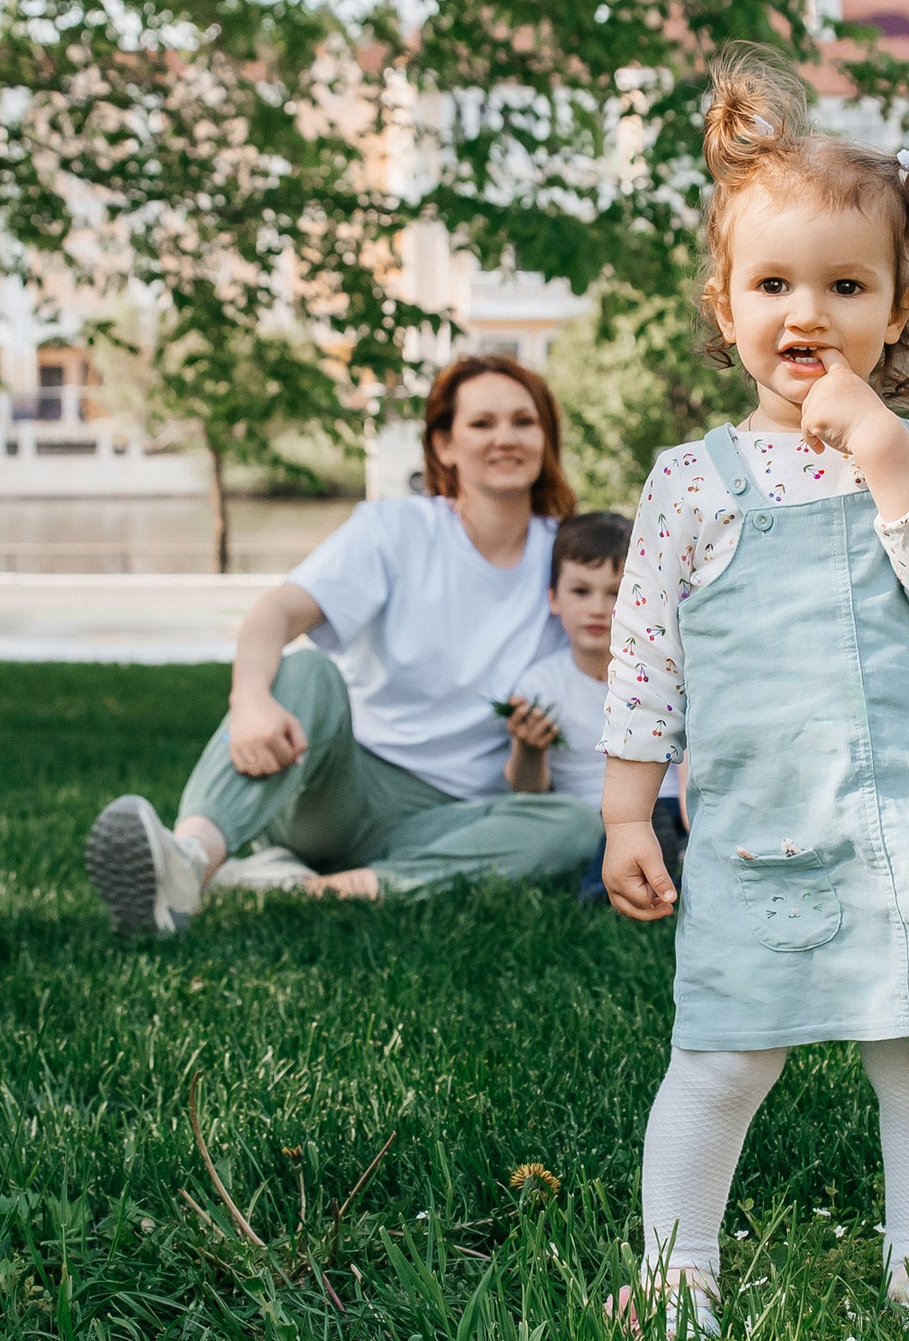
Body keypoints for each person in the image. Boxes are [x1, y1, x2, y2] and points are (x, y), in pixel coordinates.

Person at [597, 46, 909, 1341]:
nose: (809, 312)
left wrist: (885, 447)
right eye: (775, 282)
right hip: (763, 824)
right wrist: (628, 817)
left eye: (846, 285)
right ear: (726, 302)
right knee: (725, 1053)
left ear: (897, 308)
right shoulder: (693, 479)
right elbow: (644, 658)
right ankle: (681, 1275)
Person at [83, 355, 605, 932]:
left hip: (454, 816)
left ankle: (345, 885)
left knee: (579, 825)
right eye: (482, 424)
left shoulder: (575, 564)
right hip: (339, 786)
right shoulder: (394, 530)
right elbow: (275, 611)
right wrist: (250, 701)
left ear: (546, 440)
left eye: (523, 422)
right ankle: (191, 861)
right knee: (308, 671)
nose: (505, 438)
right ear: (444, 446)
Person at [500, 510, 686, 901]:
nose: (599, 608)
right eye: (581, 591)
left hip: (660, 804)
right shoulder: (541, 684)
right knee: (582, 832)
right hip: (586, 815)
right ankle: (629, 878)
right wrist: (529, 748)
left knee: (660, 821)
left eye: (617, 593)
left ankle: (661, 862)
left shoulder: (662, 671)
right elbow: (528, 792)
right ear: (553, 598)